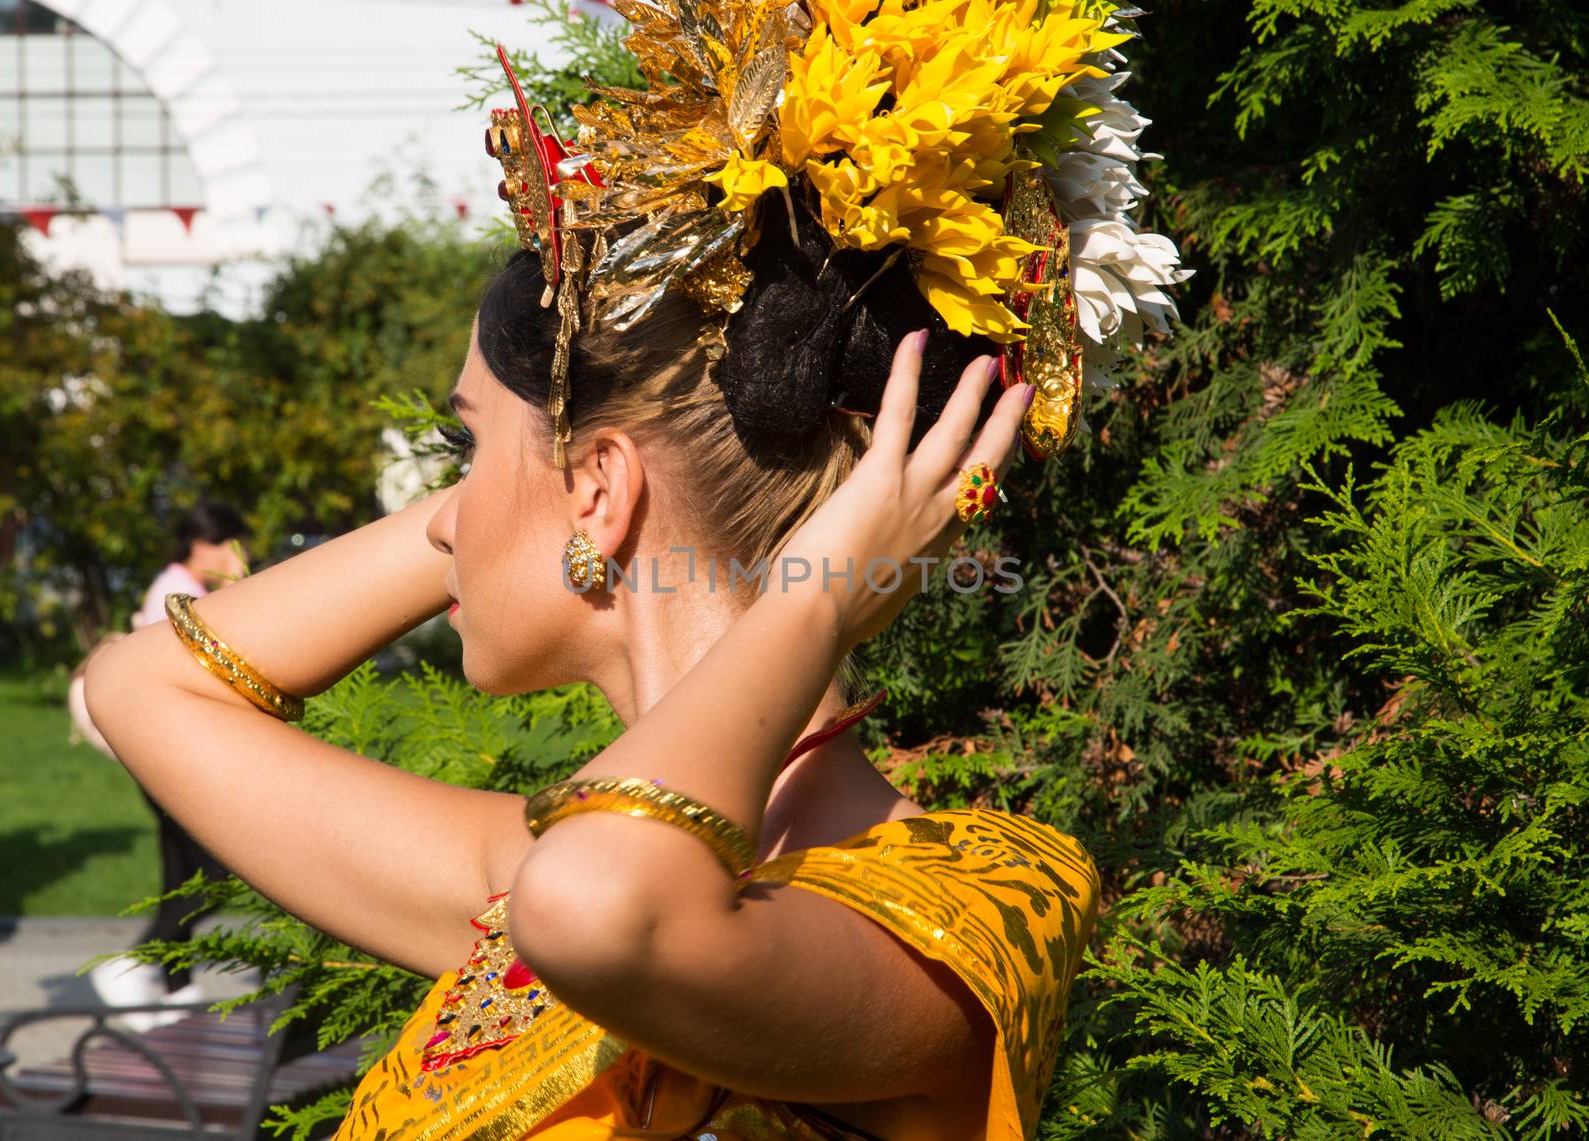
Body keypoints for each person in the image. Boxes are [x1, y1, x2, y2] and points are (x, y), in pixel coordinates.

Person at [80, 0, 1189, 1132]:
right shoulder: (529, 866)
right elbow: (142, 688)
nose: (438, 522)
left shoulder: (970, 908)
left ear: (601, 490)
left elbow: (607, 907)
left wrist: (812, 599)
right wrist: (543, 473)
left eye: (464, 452)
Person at [84, 501, 250, 1022]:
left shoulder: (180, 588)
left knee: (184, 872)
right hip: (170, 751)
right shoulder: (174, 594)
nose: (234, 556)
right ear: (201, 544)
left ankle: (174, 985)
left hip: (170, 749)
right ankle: (134, 964)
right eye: (228, 545)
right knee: (212, 872)